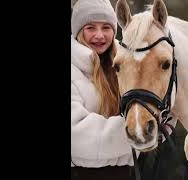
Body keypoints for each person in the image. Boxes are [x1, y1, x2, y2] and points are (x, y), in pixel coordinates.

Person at [71, 0, 134, 179]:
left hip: (126, 173)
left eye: (106, 27)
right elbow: (77, 135)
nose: (99, 35)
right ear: (78, 31)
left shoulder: (123, 66)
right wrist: (135, 132)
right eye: (90, 27)